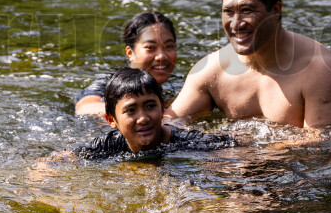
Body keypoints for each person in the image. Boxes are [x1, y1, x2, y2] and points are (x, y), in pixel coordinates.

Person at [165, 0, 331, 128]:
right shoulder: (211, 71)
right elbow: (166, 127)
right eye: (228, 12)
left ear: (276, 10)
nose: (236, 24)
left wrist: (242, 151)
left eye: (246, 11)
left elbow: (321, 152)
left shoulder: (320, 70)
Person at [74, 67, 235, 160]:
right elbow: (65, 158)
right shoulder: (109, 144)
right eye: (131, 110)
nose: (143, 118)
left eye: (151, 106)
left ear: (163, 108)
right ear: (111, 120)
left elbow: (235, 145)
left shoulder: (188, 142)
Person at [74, 11, 177, 117]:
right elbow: (84, 107)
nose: (162, 56)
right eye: (150, 47)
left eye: (169, 46)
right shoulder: (111, 82)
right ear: (130, 53)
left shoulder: (176, 83)